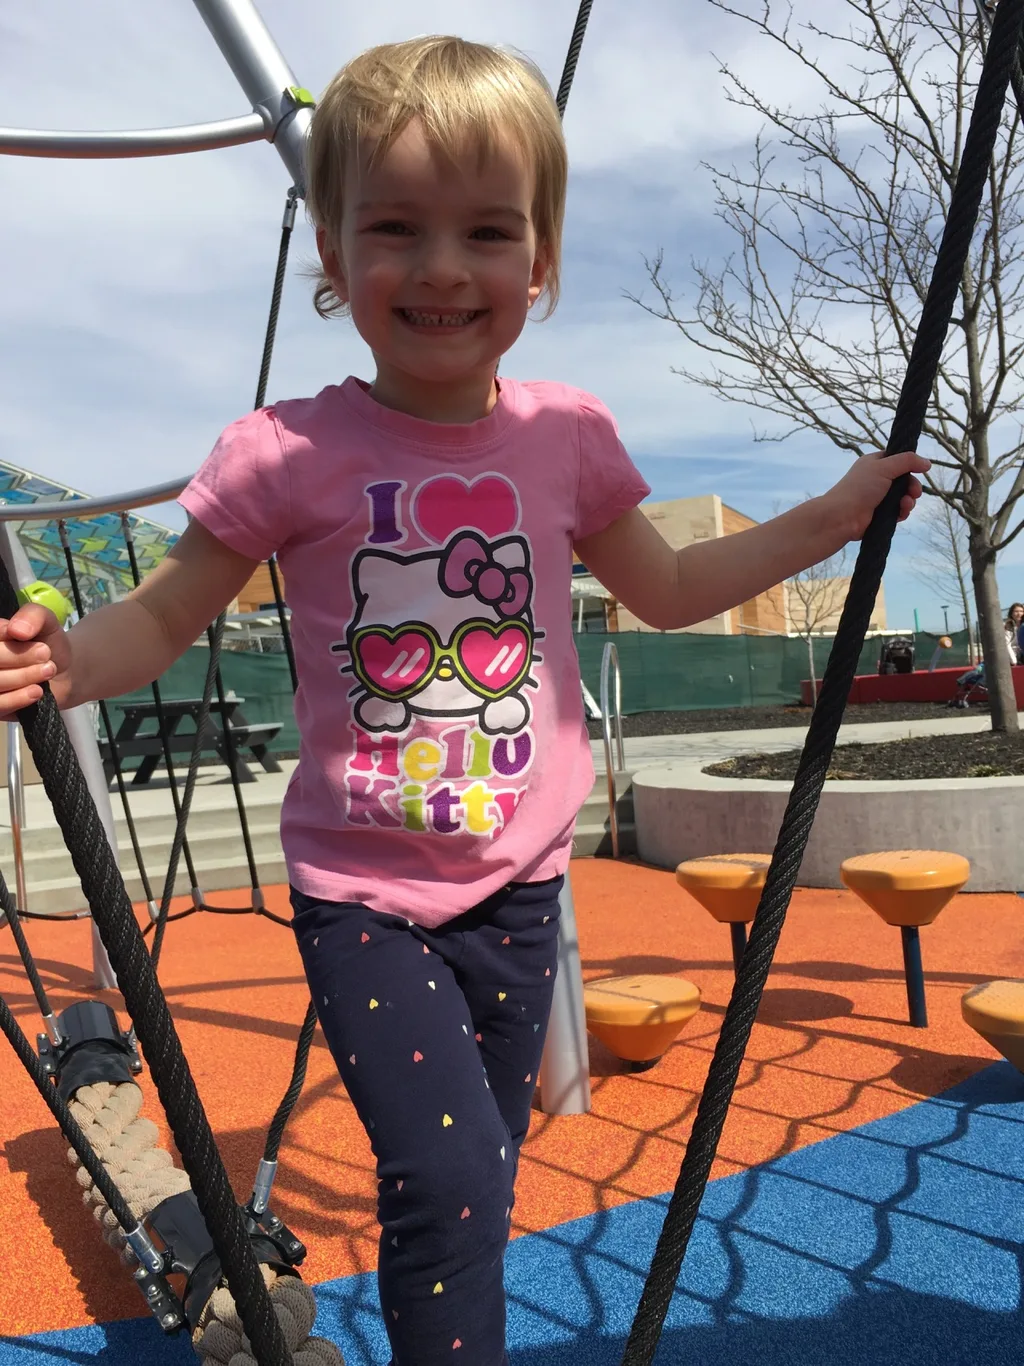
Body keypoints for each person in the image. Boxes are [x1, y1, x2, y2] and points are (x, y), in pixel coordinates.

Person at [0, 37, 927, 1366]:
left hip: (522, 892)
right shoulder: (287, 452)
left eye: (486, 231)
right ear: (332, 251)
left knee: (480, 1187)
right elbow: (161, 611)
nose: (442, 266)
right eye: (396, 229)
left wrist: (829, 517)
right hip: (366, 902)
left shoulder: (566, 438)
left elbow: (671, 586)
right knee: (447, 1185)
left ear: (538, 260)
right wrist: (67, 659)